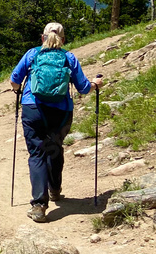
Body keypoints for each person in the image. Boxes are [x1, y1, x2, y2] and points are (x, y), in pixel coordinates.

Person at [10, 22, 103, 223]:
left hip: (33, 109)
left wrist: (18, 90)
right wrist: (96, 84)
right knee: (54, 147)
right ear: (63, 39)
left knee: (37, 153)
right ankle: (55, 189)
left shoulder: (32, 54)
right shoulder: (69, 57)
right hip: (61, 112)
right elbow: (84, 88)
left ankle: (38, 205)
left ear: (42, 37)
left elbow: (14, 80)